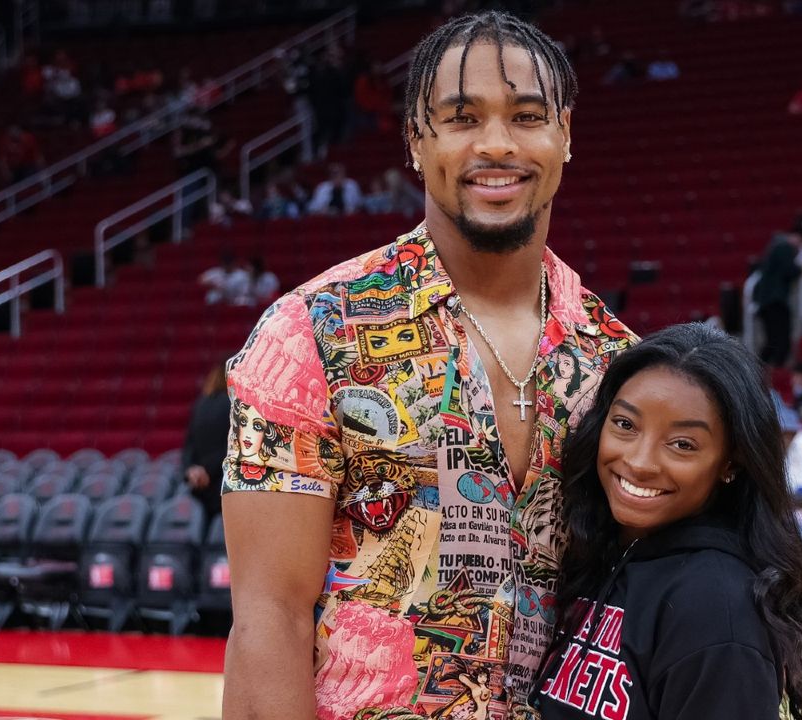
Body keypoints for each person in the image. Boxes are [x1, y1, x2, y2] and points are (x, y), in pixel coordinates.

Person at [220, 12, 636, 720]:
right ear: (417, 139)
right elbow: (269, 620)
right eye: (462, 117)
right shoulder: (312, 335)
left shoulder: (617, 358)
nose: (497, 144)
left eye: (528, 116)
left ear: (565, 133)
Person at [531, 323, 802, 720]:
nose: (639, 462)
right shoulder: (596, 553)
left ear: (731, 462)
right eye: (625, 425)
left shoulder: (717, 609)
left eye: (682, 444)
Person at [182, 361, 231, 520]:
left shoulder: (200, 404)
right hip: (222, 481)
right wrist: (208, 470)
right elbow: (232, 446)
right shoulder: (232, 404)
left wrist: (192, 470)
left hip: (199, 483)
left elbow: (189, 446)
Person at [752, 230, 802, 366]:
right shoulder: (784, 247)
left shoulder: (774, 249)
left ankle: (758, 369)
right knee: (781, 339)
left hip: (766, 302)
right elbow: (790, 270)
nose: (800, 247)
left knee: (772, 340)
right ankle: (775, 369)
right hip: (775, 301)